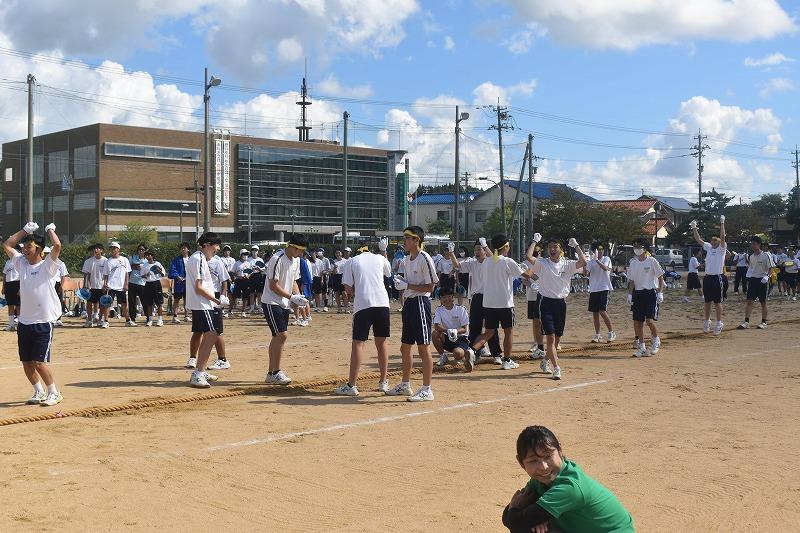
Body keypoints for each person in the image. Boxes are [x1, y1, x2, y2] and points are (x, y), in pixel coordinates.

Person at [502, 425, 635, 533]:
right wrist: (532, 517)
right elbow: (511, 519)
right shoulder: (541, 479)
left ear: (560, 450)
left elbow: (515, 522)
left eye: (548, 456)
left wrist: (516, 508)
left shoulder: (569, 486)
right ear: (521, 462)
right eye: (533, 461)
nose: (544, 467)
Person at [3, 222, 65, 406]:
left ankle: (54, 392)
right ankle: (39, 391)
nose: (24, 249)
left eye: (29, 246)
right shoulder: (21, 263)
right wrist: (25, 231)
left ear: (39, 249)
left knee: (39, 362)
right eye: (24, 246)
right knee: (27, 362)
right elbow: (7, 245)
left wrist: (50, 230)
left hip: (43, 321)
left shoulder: (48, 265)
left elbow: (57, 245)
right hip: (24, 322)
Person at [333, 237, 393, 396]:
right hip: (382, 303)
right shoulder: (379, 258)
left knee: (358, 344)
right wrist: (384, 251)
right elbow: (388, 272)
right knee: (382, 343)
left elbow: (347, 287)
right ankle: (383, 382)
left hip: (363, 305)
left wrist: (358, 293)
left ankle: (352, 385)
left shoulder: (351, 261)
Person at [386, 226, 438, 401]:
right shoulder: (407, 259)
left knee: (423, 347)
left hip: (421, 303)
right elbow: (410, 283)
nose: (405, 240)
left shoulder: (424, 258)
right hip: (409, 303)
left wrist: (407, 285)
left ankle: (427, 389)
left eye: (408, 237)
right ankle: (405, 384)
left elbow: (431, 287)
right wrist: (401, 282)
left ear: (417, 240)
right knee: (405, 346)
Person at [524, 235, 586, 380]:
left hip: (561, 304)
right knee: (550, 338)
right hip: (546, 303)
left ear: (561, 250)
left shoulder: (567, 264)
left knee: (556, 341)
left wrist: (576, 245)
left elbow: (583, 262)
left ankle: (545, 360)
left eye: (555, 247)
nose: (552, 249)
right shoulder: (543, 263)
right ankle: (556, 368)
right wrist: (535, 241)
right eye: (550, 247)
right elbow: (528, 257)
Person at [469, 235, 532, 371]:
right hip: (505, 303)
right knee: (508, 332)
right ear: (506, 247)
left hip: (489, 303)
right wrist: (532, 266)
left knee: (488, 332)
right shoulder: (507, 261)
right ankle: (507, 360)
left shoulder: (486, 262)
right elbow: (526, 275)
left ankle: (472, 350)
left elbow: (494, 259)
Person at [261, 234, 310, 385]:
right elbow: (273, 285)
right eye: (300, 251)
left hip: (284, 303)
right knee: (282, 335)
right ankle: (276, 372)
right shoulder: (277, 259)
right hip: (271, 301)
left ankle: (271, 373)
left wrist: (298, 296)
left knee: (277, 336)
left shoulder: (296, 260)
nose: (301, 254)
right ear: (293, 247)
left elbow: (293, 280)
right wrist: (291, 297)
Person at [449, 240, 502, 364]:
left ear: (485, 251)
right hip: (476, 297)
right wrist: (451, 253)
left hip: (490, 297)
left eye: (479, 249)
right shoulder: (472, 262)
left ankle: (496, 354)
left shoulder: (491, 261)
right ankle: (475, 353)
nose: (476, 252)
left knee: (491, 327)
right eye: (475, 250)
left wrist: (485, 245)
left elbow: (496, 260)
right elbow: (457, 266)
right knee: (474, 327)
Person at [185, 232, 227, 387]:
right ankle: (198, 373)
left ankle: (200, 370)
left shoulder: (199, 258)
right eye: (216, 245)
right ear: (207, 245)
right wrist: (217, 301)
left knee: (210, 334)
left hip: (203, 303)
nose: (218, 249)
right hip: (202, 303)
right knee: (211, 334)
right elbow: (199, 287)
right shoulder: (198, 258)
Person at [627, 240, 666, 357]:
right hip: (638, 294)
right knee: (637, 322)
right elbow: (631, 280)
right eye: (635, 246)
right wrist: (630, 294)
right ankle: (642, 347)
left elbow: (660, 277)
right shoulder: (633, 263)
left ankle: (656, 340)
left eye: (639, 246)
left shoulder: (652, 261)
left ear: (644, 248)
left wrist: (660, 292)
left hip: (650, 293)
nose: (636, 249)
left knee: (649, 321)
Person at [691, 216, 727, 335]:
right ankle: (707, 321)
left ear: (719, 242)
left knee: (717, 302)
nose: (713, 242)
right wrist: (694, 227)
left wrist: (722, 223)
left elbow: (723, 236)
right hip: (708, 277)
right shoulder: (709, 247)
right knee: (707, 301)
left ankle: (719, 323)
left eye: (716, 240)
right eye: (712, 240)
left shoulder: (722, 249)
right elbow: (698, 239)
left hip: (717, 277)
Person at [432, 286, 475, 370]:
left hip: (461, 338)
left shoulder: (461, 309)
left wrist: (455, 331)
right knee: (435, 333)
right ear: (440, 299)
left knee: (458, 354)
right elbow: (436, 325)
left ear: (453, 297)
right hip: (447, 337)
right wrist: (448, 331)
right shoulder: (439, 310)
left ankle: (466, 353)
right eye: (443, 297)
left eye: (449, 296)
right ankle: (443, 356)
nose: (446, 299)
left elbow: (465, 329)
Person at [738, 236, 774, 330]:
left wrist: (767, 276)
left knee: (763, 302)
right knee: (749, 301)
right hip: (753, 280)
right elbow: (751, 268)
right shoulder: (751, 256)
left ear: (759, 244)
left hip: (763, 280)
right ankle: (746, 322)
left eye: (754, 244)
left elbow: (771, 268)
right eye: (751, 244)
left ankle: (764, 322)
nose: (752, 246)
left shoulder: (766, 255)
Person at [586, 244, 616, 343]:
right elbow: (586, 273)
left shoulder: (606, 259)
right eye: (598, 250)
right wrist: (585, 261)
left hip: (604, 287)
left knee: (602, 311)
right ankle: (598, 335)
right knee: (595, 313)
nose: (600, 251)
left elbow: (605, 268)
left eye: (601, 249)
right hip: (593, 289)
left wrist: (597, 260)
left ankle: (611, 332)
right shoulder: (591, 261)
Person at [101, 242, 134, 328]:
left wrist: (126, 284)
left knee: (124, 304)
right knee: (107, 304)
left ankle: (128, 320)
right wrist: (105, 284)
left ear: (118, 249)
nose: (113, 250)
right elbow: (105, 275)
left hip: (121, 287)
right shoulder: (108, 261)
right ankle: (106, 321)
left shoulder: (125, 260)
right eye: (111, 248)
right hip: (110, 286)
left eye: (114, 248)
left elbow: (127, 273)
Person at [521, 245, 545, 359]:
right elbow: (524, 280)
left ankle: (553, 341)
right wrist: (531, 285)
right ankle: (536, 342)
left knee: (544, 319)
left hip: (544, 295)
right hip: (532, 296)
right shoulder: (525, 263)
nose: (538, 254)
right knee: (535, 321)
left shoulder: (544, 262)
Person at [81, 244, 107, 328]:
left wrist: (105, 284)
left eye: (98, 248)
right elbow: (86, 274)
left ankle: (100, 320)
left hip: (102, 286)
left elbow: (107, 275)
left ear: (101, 250)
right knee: (89, 303)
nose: (95, 250)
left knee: (102, 303)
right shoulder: (88, 261)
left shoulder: (106, 261)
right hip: (91, 286)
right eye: (94, 249)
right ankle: (89, 320)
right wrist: (85, 286)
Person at [43, 246, 69, 327]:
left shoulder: (61, 263)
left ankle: (58, 319)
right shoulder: (45, 263)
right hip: (48, 284)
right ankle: (50, 318)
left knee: (58, 301)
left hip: (57, 284)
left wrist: (61, 286)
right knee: (48, 301)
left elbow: (63, 276)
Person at [142, 250, 166, 327]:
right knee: (149, 303)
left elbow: (163, 274)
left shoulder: (158, 264)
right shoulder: (145, 265)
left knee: (159, 303)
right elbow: (142, 275)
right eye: (146, 255)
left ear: (152, 256)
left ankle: (160, 320)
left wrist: (159, 271)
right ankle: (150, 320)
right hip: (148, 284)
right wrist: (146, 275)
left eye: (149, 255)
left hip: (156, 283)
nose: (147, 256)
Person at [168, 242, 191, 323]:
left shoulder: (191, 259)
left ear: (188, 249)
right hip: (179, 283)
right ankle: (175, 316)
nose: (183, 249)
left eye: (185, 248)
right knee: (177, 299)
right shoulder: (177, 259)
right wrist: (177, 276)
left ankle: (186, 316)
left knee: (187, 299)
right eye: (182, 248)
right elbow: (172, 269)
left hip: (188, 282)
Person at [127, 243, 148, 325]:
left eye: (143, 249)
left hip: (142, 283)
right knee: (131, 301)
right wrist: (134, 267)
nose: (141, 251)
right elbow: (128, 268)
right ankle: (132, 318)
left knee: (144, 301)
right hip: (132, 282)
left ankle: (148, 317)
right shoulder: (133, 258)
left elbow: (149, 269)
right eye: (139, 249)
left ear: (145, 250)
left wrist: (142, 269)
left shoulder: (147, 260)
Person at [231, 249, 252, 317]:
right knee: (234, 296)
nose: (245, 256)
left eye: (246, 254)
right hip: (238, 281)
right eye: (244, 254)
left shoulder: (248, 263)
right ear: (241, 255)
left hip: (246, 281)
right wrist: (238, 276)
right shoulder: (236, 263)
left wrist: (248, 276)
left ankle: (243, 311)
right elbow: (233, 272)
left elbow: (250, 272)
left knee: (245, 297)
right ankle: (230, 310)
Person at [2, 253, 20, 331]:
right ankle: (11, 325)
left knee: (18, 306)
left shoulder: (20, 261)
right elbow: (4, 274)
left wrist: (21, 288)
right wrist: (3, 287)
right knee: (10, 305)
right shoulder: (7, 262)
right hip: (8, 285)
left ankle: (20, 325)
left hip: (17, 283)